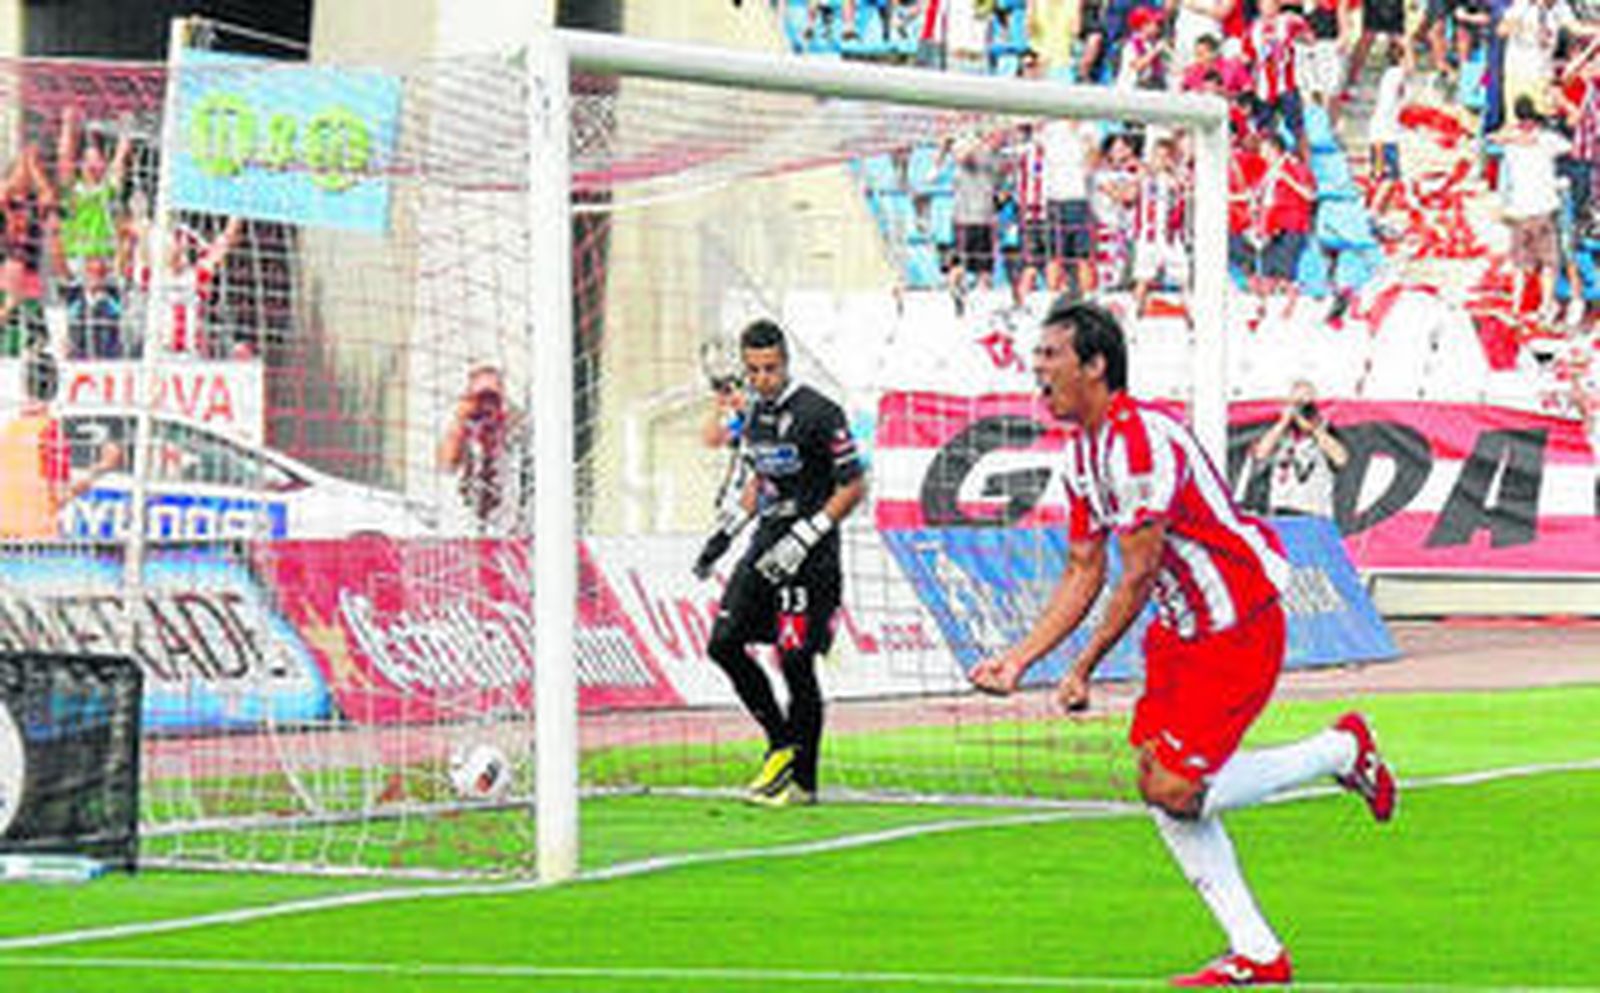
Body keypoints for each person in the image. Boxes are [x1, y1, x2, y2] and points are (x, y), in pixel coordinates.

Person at [969, 300, 1396, 987]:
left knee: (1175, 784)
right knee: (1156, 781)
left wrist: (1081, 666)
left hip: (1238, 621)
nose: (1037, 367)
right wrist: (1022, 658)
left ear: (1095, 364)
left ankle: (1341, 749)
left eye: (1051, 355)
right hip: (1181, 629)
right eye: (1038, 355)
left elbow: (1135, 575)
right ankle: (1257, 952)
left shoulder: (1138, 444)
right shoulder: (1082, 451)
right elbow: (1086, 566)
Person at [692, 319, 866, 807]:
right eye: (754, 370)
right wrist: (723, 535)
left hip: (810, 558)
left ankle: (804, 783)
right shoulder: (751, 416)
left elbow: (853, 485)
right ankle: (781, 741)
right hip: (765, 546)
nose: (763, 378)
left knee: (794, 660)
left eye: (770, 368)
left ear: (786, 362)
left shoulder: (819, 412)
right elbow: (758, 481)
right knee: (723, 644)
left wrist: (807, 534)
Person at [0, 350, 121, 539]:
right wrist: (102, 467)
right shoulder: (50, 433)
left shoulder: (8, 431)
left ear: (23, 386)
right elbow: (60, 495)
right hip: (36, 538)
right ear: (56, 388)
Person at [437, 363, 531, 535]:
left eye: (492, 399)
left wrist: (505, 419)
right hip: (463, 528)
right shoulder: (461, 426)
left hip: (504, 527)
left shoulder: (510, 427)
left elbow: (524, 430)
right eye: (481, 399)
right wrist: (462, 418)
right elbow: (446, 464)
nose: (486, 407)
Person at [1250, 379, 1350, 517]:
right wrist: (1283, 422)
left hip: (1313, 514)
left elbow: (1341, 459)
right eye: (1298, 404)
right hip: (1280, 512)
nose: (1303, 409)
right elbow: (1260, 453)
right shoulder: (1280, 431)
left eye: (1307, 404)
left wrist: (1315, 430)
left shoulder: (1326, 430)